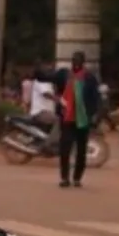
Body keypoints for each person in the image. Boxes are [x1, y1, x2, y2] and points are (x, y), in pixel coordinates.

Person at [36, 51, 100, 188]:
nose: (76, 62)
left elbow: (95, 98)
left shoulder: (89, 78)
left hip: (83, 119)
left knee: (81, 150)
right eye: (74, 60)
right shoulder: (64, 74)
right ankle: (65, 178)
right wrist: (38, 67)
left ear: (83, 62)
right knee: (65, 149)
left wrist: (94, 115)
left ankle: (77, 178)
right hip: (67, 117)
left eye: (78, 60)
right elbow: (44, 78)